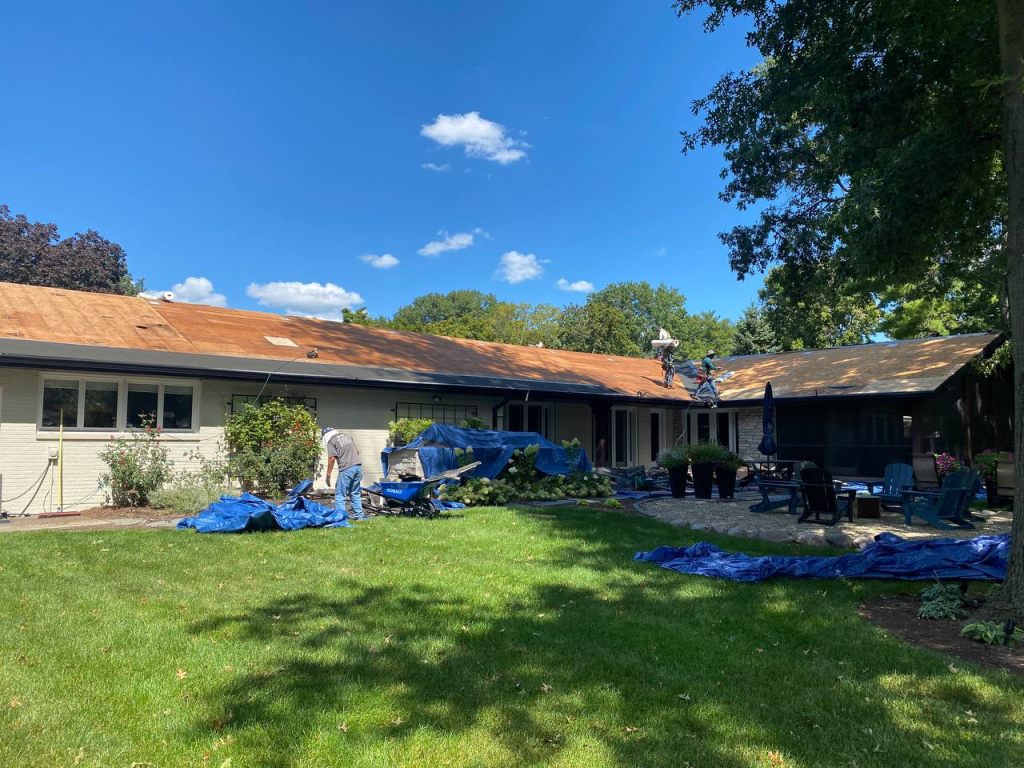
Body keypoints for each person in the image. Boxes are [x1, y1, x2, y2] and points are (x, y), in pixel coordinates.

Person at [323, 426, 367, 520]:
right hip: (358, 467)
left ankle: (341, 518)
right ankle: (359, 516)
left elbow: (331, 458)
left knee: (340, 495)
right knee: (354, 493)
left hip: (346, 470)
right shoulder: (347, 436)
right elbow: (357, 452)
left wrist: (328, 475)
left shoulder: (331, 441)